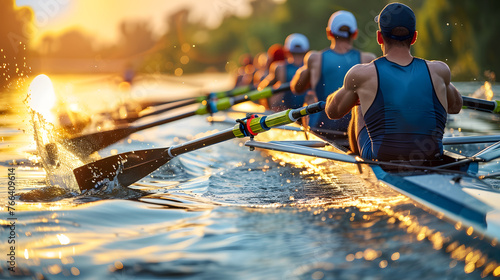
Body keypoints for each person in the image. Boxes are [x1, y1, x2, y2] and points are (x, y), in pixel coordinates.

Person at [325, 3, 463, 161]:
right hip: (431, 157)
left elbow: (332, 112)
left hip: (382, 158)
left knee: (362, 100)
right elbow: (455, 107)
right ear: (414, 38)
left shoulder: (361, 74)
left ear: (379, 37)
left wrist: (357, 96)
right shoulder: (439, 71)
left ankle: (357, 160)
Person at [291, 11, 375, 134]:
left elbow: (297, 89)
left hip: (321, 129)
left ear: (329, 33)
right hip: (355, 133)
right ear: (355, 34)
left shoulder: (314, 58)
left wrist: (305, 71)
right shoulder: (368, 59)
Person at [258, 33, 309, 111]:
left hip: (287, 114)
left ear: (286, 50)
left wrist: (270, 109)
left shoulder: (279, 68)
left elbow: (263, 90)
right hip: (307, 112)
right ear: (306, 50)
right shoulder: (311, 68)